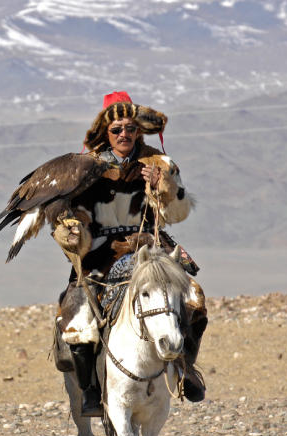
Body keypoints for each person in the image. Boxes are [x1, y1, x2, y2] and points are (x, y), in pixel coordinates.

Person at [60, 91, 206, 416]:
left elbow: (180, 212)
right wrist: (72, 229)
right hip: (99, 253)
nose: (124, 135)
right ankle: (91, 390)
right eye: (116, 129)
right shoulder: (86, 169)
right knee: (79, 321)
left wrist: (164, 185)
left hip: (150, 249)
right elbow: (73, 213)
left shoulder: (160, 163)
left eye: (130, 128)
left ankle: (184, 369)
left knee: (194, 299)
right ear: (104, 132)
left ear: (138, 130)